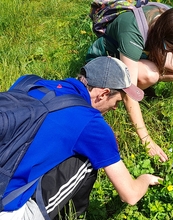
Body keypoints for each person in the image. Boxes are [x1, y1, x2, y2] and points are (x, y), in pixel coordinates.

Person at [0, 56, 162, 220]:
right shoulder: (90, 122)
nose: (115, 108)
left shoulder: (29, 83)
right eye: (118, 101)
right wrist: (144, 179)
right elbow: (130, 195)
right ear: (103, 94)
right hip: (8, 211)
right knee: (88, 158)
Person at [86, 7, 173, 162]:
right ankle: (124, 93)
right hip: (103, 59)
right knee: (150, 75)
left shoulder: (167, 17)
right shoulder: (132, 32)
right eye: (171, 49)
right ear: (161, 34)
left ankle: (147, 79)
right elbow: (130, 93)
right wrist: (146, 140)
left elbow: (171, 52)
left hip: (139, 51)